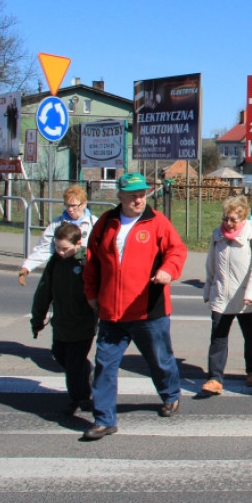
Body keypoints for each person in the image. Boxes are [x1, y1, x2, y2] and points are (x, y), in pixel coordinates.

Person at [82, 172, 187, 440]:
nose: (138, 199)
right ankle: (104, 419)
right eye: (132, 195)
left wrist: (168, 270)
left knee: (160, 361)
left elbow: (177, 250)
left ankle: (170, 393)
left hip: (148, 310)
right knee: (105, 365)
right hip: (112, 313)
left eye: (142, 194)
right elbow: (92, 261)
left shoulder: (156, 222)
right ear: (120, 196)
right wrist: (91, 293)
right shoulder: (106, 223)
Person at [201, 195, 252, 395]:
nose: (228, 224)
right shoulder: (217, 236)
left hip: (247, 298)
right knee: (218, 338)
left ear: (243, 219)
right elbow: (211, 266)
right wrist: (208, 290)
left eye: (233, 220)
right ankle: (214, 378)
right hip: (222, 295)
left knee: (251, 337)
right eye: (225, 219)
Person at [30, 222, 97, 415]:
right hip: (61, 323)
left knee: (74, 365)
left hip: (83, 323)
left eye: (64, 249)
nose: (60, 252)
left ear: (78, 243)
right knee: (60, 355)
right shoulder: (55, 263)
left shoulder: (86, 262)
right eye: (57, 248)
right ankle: (86, 373)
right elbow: (43, 293)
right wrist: (37, 320)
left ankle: (81, 398)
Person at [18, 185, 99, 286]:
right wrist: (27, 267)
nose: (70, 209)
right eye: (67, 205)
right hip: (62, 270)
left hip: (86, 272)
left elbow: (100, 250)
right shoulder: (57, 223)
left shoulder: (95, 223)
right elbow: (44, 248)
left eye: (74, 205)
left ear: (83, 204)